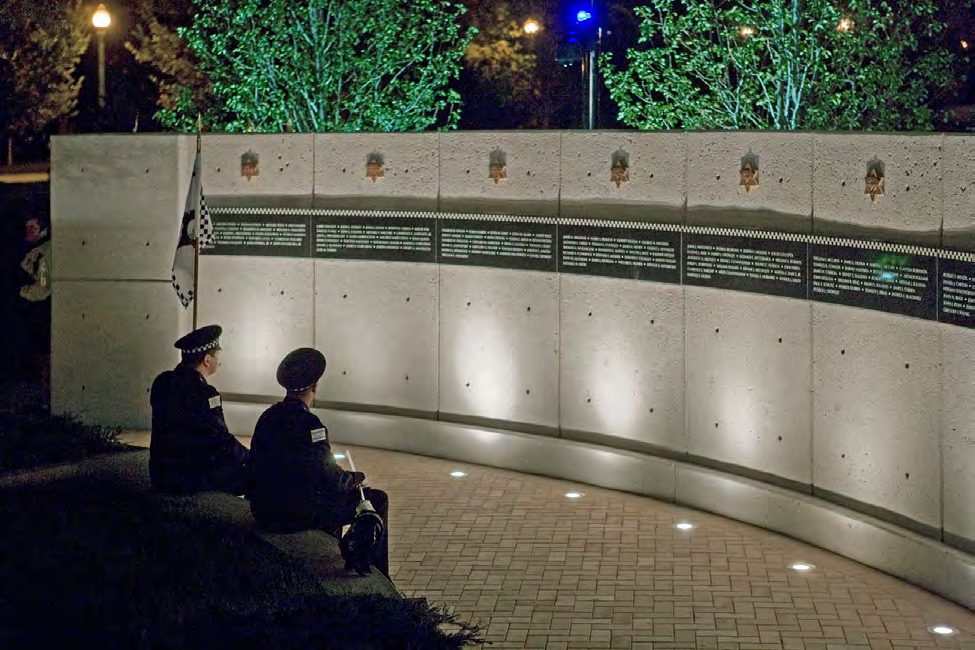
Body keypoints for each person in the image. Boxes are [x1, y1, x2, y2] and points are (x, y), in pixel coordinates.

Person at [248, 347, 390, 578]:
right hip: (294, 514)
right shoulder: (310, 425)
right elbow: (328, 475)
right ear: (314, 386)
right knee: (376, 499)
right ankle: (375, 573)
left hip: (265, 510)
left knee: (326, 494)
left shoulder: (268, 417)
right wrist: (355, 478)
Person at [149, 324, 249, 494]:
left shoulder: (162, 382)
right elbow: (221, 442)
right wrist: (249, 457)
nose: (219, 359)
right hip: (191, 481)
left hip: (161, 475)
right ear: (207, 360)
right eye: (217, 354)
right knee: (257, 474)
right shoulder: (206, 394)